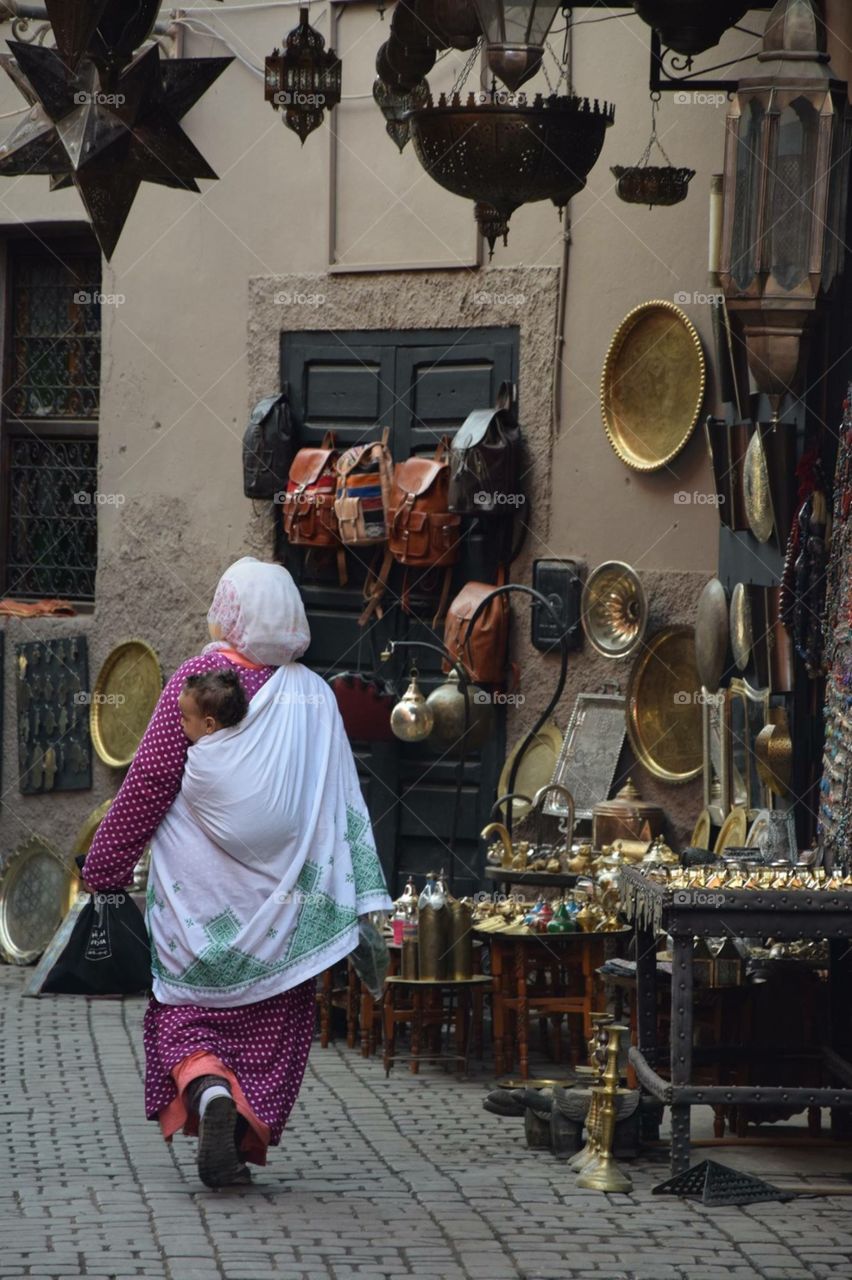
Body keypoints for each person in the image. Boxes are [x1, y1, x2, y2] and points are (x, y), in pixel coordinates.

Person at [83, 556, 392, 1187]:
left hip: (198, 910)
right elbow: (337, 803)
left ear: (231, 611)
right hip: (282, 917)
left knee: (183, 1014)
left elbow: (147, 786)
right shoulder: (314, 697)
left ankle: (207, 1089)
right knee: (275, 1024)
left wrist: (105, 864)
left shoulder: (198, 683)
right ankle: (240, 1113)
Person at [179, 670, 248, 742]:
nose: (181, 722)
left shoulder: (200, 752)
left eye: (185, 718)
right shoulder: (247, 735)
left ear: (209, 725)